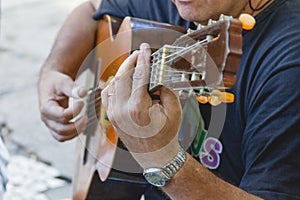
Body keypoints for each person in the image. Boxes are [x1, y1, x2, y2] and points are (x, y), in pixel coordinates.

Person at [39, 0, 300, 199]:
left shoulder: (288, 63)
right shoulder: (187, 5)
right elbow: (91, 9)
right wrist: (55, 71)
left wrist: (162, 158)